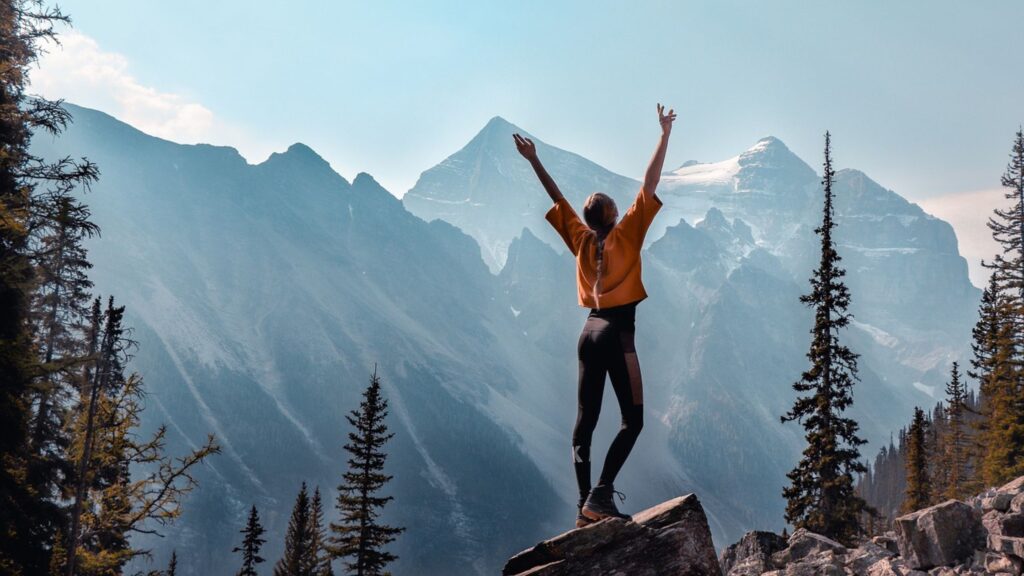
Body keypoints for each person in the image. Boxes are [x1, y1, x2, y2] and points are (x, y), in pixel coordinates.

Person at [513, 103, 676, 527]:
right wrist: (664, 135)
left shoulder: (581, 241)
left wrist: (535, 160)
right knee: (633, 420)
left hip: (588, 333)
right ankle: (601, 495)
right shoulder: (627, 234)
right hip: (618, 334)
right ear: (615, 215)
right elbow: (651, 181)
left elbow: (556, 197)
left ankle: (584, 507)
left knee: (585, 421)